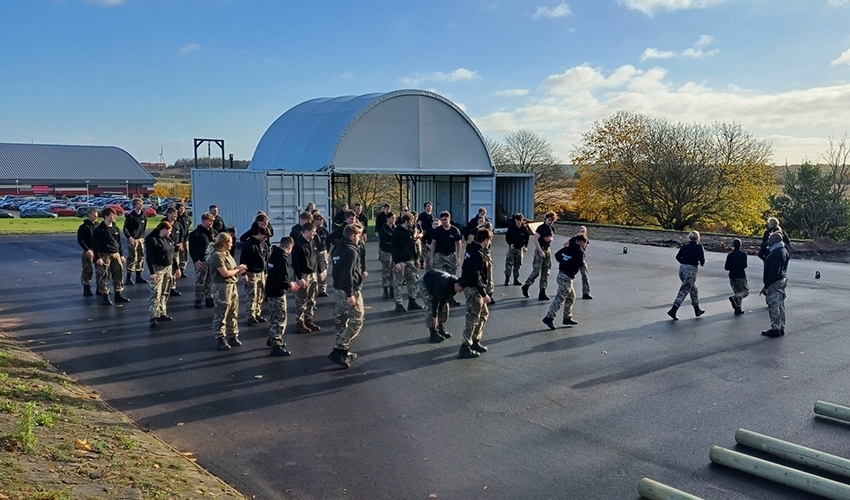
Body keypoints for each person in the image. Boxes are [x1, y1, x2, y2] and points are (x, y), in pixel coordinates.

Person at [328, 223, 366, 368]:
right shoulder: (351, 251)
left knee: (341, 320)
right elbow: (348, 274)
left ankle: (343, 353)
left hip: (338, 289)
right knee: (357, 320)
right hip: (349, 290)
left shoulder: (338, 247)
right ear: (352, 236)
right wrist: (350, 294)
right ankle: (340, 348)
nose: (360, 237)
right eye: (359, 235)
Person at [208, 232, 248, 350]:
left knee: (233, 312)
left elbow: (232, 269)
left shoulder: (227, 254)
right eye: (230, 242)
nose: (232, 244)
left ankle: (233, 335)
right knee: (221, 312)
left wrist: (238, 269)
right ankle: (220, 337)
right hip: (222, 287)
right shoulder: (217, 255)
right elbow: (225, 273)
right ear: (223, 243)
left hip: (232, 285)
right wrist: (237, 270)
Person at [457, 228, 493, 359]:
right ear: (486, 240)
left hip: (472, 287)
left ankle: (475, 340)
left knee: (484, 314)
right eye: (489, 241)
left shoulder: (471, 250)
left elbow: (464, 268)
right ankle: (465, 346)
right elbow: (476, 275)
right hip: (474, 289)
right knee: (472, 318)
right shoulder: (477, 254)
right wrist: (484, 294)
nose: (489, 243)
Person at [265, 236, 301, 357]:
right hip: (278, 292)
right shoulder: (282, 259)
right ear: (289, 247)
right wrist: (290, 285)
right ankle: (276, 344)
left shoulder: (273, 255)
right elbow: (282, 278)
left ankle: (271, 338)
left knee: (274, 315)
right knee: (280, 318)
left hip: (270, 290)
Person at [542, 235, 587, 330]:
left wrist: (564, 262)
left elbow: (557, 256)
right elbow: (580, 264)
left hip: (561, 274)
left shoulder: (567, 248)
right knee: (560, 299)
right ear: (583, 243)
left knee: (571, 296)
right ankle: (549, 317)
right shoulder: (580, 252)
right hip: (567, 277)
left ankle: (567, 317)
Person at [145, 221, 181, 329]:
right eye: (169, 231)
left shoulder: (168, 239)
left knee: (165, 291)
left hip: (168, 268)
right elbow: (149, 257)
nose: (170, 233)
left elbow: (173, 254)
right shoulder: (152, 240)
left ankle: (162, 312)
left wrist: (177, 268)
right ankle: (153, 316)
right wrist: (152, 272)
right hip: (158, 269)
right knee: (156, 293)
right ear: (163, 229)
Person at [93, 207, 130, 305]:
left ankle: (118, 294)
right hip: (104, 255)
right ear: (106, 216)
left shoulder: (115, 228)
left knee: (119, 274)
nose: (114, 217)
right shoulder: (99, 230)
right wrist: (98, 258)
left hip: (116, 254)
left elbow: (119, 242)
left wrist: (121, 255)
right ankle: (105, 296)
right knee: (104, 275)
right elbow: (95, 245)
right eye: (112, 216)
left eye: (115, 215)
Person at [667, 231, 706, 320]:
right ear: (698, 238)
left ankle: (697, 310)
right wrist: (698, 261)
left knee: (694, 290)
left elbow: (677, 257)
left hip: (682, 269)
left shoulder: (685, 246)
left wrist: (684, 262)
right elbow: (702, 261)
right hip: (691, 270)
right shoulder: (699, 247)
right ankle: (673, 310)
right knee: (684, 291)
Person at [291, 221, 322, 333]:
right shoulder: (298, 245)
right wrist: (299, 278)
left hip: (313, 274)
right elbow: (295, 263)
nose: (314, 234)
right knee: (301, 300)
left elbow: (316, 259)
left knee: (311, 299)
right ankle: (300, 323)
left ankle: (309, 320)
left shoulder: (313, 243)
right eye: (313, 232)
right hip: (303, 275)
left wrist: (320, 272)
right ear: (306, 231)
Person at [391, 213, 423, 313]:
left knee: (412, 281)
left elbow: (413, 247)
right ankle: (399, 304)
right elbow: (393, 248)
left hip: (409, 261)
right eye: (411, 221)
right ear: (406, 221)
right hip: (400, 261)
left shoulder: (409, 232)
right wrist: (396, 262)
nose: (412, 223)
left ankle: (412, 301)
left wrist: (417, 259)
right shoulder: (396, 232)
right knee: (398, 283)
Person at [419, 269, 461, 343]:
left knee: (445, 306)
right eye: (461, 289)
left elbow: (443, 301)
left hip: (435, 282)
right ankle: (433, 333)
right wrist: (435, 316)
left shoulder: (454, 288)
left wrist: (439, 315)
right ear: (457, 285)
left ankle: (440, 328)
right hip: (425, 282)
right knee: (430, 307)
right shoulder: (443, 284)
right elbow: (436, 300)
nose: (461, 292)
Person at [760, 232, 790, 337]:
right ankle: (781, 326)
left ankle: (775, 328)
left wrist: (767, 286)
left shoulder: (776, 253)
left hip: (775, 282)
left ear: (776, 241)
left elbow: (774, 271)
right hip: (782, 280)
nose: (768, 241)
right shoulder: (783, 250)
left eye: (770, 240)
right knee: (780, 305)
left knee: (774, 305)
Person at [522, 212, 557, 301]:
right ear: (546, 219)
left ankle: (542, 292)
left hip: (548, 250)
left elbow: (552, 236)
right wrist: (540, 251)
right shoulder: (541, 228)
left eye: (552, 221)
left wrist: (551, 239)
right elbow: (535, 239)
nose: (550, 222)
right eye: (549, 220)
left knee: (546, 272)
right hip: (540, 250)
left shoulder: (552, 228)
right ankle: (526, 285)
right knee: (536, 271)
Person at [240, 225, 271, 326]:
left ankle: (257, 313)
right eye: (264, 237)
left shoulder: (264, 245)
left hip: (261, 273)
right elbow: (243, 259)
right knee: (252, 295)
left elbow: (266, 260)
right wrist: (243, 273)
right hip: (251, 273)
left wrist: (266, 272)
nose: (265, 239)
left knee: (260, 294)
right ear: (259, 234)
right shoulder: (249, 244)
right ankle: (250, 315)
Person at [189, 212, 216, 308]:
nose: (211, 223)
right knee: (201, 280)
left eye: (212, 222)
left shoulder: (213, 232)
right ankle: (198, 298)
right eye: (209, 221)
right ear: (203, 221)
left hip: (211, 260)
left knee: (210, 280)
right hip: (201, 260)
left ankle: (209, 297)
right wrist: (196, 260)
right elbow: (192, 249)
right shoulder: (195, 234)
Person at [123, 198, 148, 285]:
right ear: (134, 205)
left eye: (141, 204)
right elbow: (125, 229)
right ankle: (128, 277)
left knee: (140, 257)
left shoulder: (144, 216)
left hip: (140, 239)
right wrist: (129, 237)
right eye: (138, 204)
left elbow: (143, 229)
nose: (140, 205)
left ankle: (139, 276)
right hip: (133, 239)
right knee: (132, 258)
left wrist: (143, 238)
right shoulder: (130, 216)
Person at [504, 213, 531, 286]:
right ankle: (507, 279)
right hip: (512, 248)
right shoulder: (511, 228)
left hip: (519, 249)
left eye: (520, 220)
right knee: (509, 263)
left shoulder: (524, 229)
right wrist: (510, 244)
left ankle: (516, 279)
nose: (519, 222)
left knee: (518, 264)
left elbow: (527, 238)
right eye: (518, 220)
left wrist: (526, 246)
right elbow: (507, 237)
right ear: (515, 220)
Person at [77, 207, 99, 297]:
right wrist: (87, 250)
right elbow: (80, 240)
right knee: (87, 269)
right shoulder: (83, 227)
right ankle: (86, 287)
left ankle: (100, 288)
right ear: (89, 215)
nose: (95, 217)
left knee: (101, 270)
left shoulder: (99, 226)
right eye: (93, 216)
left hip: (98, 251)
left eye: (96, 216)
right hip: (88, 250)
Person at [725, 238, 748, 315]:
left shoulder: (730, 255)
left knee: (737, 291)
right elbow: (744, 265)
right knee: (744, 291)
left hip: (732, 275)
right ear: (741, 245)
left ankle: (738, 308)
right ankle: (735, 299)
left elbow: (726, 267)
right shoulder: (743, 254)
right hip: (740, 275)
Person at [164, 207, 184, 297]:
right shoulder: (164, 224)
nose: (175, 215)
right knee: (166, 270)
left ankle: (173, 287)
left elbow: (182, 234)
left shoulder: (178, 225)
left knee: (175, 269)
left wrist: (181, 243)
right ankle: (165, 288)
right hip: (167, 251)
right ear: (168, 214)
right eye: (173, 213)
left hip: (175, 251)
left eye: (176, 213)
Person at [378, 212, 396, 299]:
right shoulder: (383, 230)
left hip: (394, 253)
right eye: (392, 218)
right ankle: (385, 290)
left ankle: (392, 290)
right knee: (386, 272)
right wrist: (392, 243)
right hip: (386, 253)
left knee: (393, 272)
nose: (393, 220)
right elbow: (383, 244)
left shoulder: (395, 229)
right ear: (387, 219)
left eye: (394, 219)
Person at [572, 226, 593, 300]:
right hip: (573, 260)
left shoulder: (586, 240)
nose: (582, 232)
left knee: (585, 276)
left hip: (581, 260)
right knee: (569, 276)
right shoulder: (574, 239)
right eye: (581, 231)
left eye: (584, 231)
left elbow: (583, 250)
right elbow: (566, 245)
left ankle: (586, 293)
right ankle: (564, 289)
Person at [313, 213, 331, 297]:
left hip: (323, 251)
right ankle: (314, 289)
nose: (321, 222)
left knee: (323, 270)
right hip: (314, 252)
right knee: (315, 271)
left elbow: (328, 241)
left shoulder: (324, 230)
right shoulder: (312, 229)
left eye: (322, 220)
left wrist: (327, 252)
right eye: (319, 220)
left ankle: (322, 289)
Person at [175, 203, 191, 278]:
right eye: (181, 208)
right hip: (178, 240)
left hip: (185, 239)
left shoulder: (186, 218)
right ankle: (176, 270)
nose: (182, 210)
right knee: (177, 255)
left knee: (184, 255)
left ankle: (182, 269)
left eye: (183, 208)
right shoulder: (176, 218)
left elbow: (188, 225)